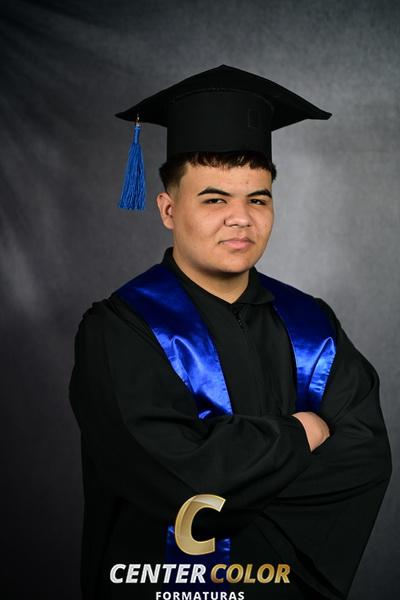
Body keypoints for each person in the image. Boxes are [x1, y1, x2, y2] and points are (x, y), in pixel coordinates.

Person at [69, 65, 392, 600]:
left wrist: (232, 478)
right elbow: (176, 480)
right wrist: (300, 434)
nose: (241, 219)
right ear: (168, 209)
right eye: (215, 199)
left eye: (257, 199)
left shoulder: (314, 325)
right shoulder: (121, 328)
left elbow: (364, 461)